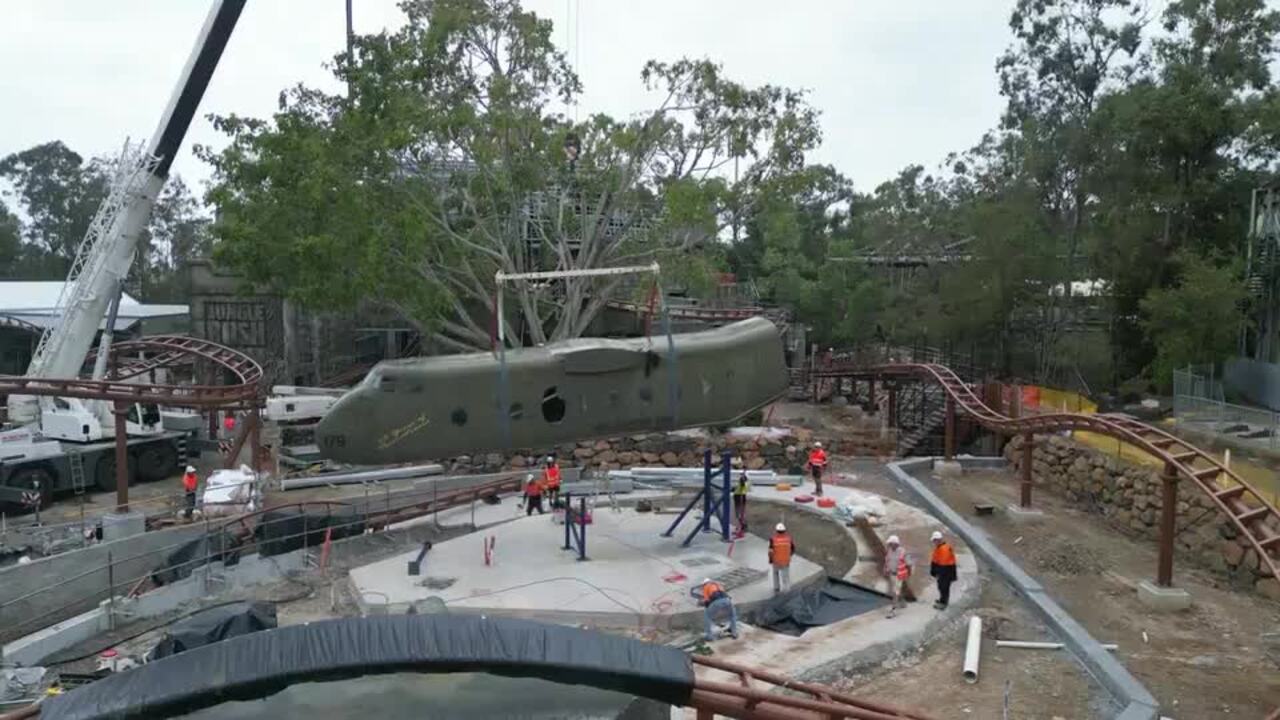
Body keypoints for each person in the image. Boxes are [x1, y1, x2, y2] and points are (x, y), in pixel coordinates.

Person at [883, 534, 912, 618]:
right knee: (897, 590)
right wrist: (885, 569)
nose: (889, 545)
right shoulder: (889, 550)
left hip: (899, 575)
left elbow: (908, 564)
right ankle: (903, 601)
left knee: (895, 592)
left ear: (895, 544)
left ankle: (893, 610)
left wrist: (909, 573)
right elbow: (887, 560)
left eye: (890, 543)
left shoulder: (902, 552)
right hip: (892, 574)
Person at [929, 531, 958, 610]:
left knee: (944, 587)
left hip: (946, 572)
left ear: (938, 540)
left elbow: (943, 564)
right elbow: (935, 559)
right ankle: (942, 600)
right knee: (941, 586)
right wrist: (933, 570)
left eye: (934, 541)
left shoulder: (944, 549)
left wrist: (938, 572)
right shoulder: (940, 547)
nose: (934, 542)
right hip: (944, 571)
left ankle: (943, 603)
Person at [768, 523, 796, 593]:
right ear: (785, 530)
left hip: (776, 561)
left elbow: (770, 551)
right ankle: (787, 592)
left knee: (775, 574)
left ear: (776, 531)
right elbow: (793, 549)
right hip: (785, 562)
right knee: (785, 577)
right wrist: (788, 556)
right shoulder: (789, 539)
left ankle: (776, 588)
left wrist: (770, 560)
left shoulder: (772, 539)